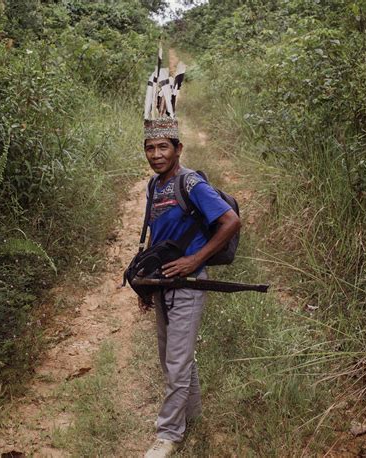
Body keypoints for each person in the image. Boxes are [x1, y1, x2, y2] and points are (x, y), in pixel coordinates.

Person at [141, 129, 241, 458]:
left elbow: (230, 221)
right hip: (162, 283)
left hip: (190, 284)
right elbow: (158, 235)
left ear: (178, 149)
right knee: (174, 357)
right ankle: (193, 416)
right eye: (150, 148)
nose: (156, 154)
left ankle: (168, 435)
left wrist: (195, 259)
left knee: (177, 362)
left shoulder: (191, 184)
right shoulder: (154, 186)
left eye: (163, 148)